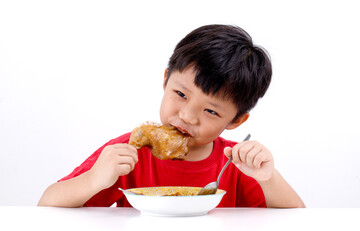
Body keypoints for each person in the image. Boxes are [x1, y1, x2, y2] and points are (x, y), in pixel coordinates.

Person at [38, 24, 305, 208]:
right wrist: (94, 179)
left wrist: (268, 177)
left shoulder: (236, 164)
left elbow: (296, 219)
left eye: (211, 111)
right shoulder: (129, 151)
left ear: (235, 121)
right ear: (166, 81)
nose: (187, 116)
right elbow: (47, 203)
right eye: (181, 94)